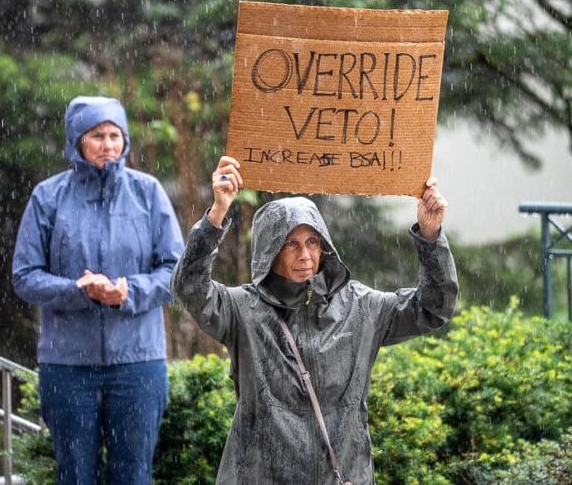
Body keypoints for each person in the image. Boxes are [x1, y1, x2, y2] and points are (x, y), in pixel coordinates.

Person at [171, 155, 458, 484]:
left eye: (312, 243)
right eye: (290, 244)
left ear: (325, 247)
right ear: (270, 251)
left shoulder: (360, 307)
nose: (305, 255)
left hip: (341, 474)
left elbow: (434, 308)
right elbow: (189, 287)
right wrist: (217, 213)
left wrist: (430, 234)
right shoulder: (242, 310)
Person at [12, 96, 184, 484]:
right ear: (76, 140)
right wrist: (78, 290)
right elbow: (25, 275)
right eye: (96, 136)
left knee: (133, 474)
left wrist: (130, 292)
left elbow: (176, 272)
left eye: (114, 135)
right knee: (74, 475)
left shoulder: (148, 192)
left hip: (138, 362)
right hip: (68, 364)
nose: (108, 145)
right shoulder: (48, 196)